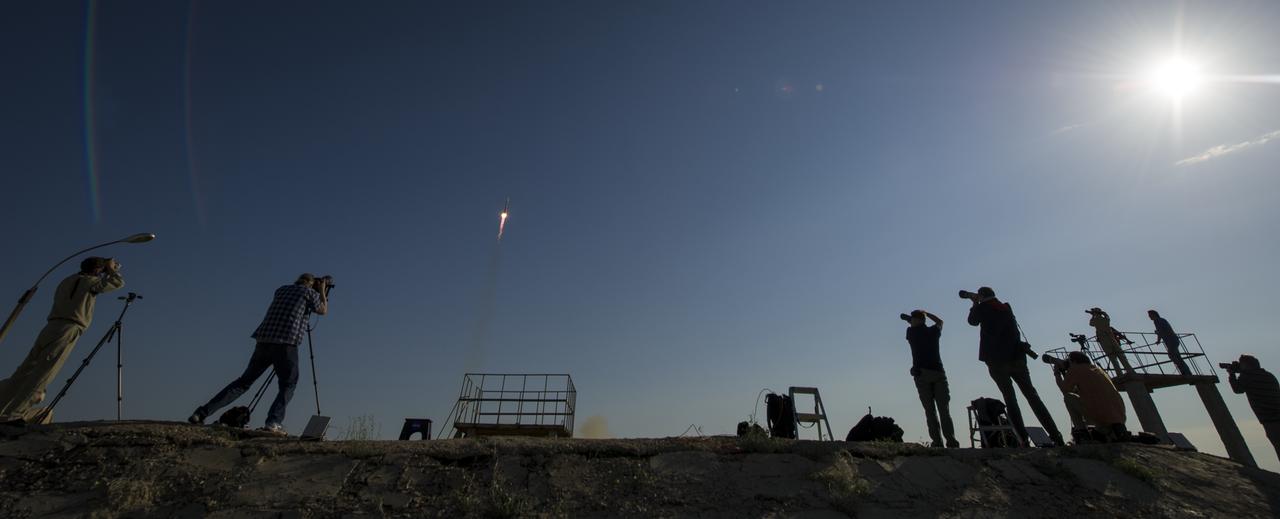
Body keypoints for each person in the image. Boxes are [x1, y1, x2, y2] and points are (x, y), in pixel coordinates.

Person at [188, 273, 329, 435]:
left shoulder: (281, 290)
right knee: (288, 384)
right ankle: (273, 421)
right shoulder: (309, 293)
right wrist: (323, 292)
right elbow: (323, 310)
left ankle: (201, 413)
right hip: (286, 342)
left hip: (263, 340)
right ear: (311, 284)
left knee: (243, 382)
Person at [0, 257, 125, 422]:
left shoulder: (67, 281)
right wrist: (111, 270)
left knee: (24, 372)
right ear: (97, 270)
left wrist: (105, 270)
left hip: (50, 327)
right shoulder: (91, 283)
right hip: (68, 328)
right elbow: (117, 283)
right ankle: (13, 415)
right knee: (44, 374)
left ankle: (3, 407)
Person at [965, 286, 1065, 447]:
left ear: (982, 296)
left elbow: (972, 322)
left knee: (1010, 399)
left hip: (997, 360)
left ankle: (1022, 439)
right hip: (1017, 358)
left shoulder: (983, 307)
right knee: (1033, 396)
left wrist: (974, 303)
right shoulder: (1005, 307)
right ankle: (1056, 435)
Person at [903, 309, 959, 448]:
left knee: (930, 411)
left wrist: (909, 319)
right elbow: (940, 322)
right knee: (944, 410)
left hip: (921, 375)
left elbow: (912, 324)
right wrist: (927, 314)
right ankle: (951, 441)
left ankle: (937, 442)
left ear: (914, 320)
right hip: (938, 373)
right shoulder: (933, 332)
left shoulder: (911, 333)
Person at [1056, 351, 1127, 441]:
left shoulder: (1075, 370)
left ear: (1073, 361)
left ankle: (1082, 432)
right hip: (1119, 416)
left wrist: (1057, 373)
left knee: (1068, 397)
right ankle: (1107, 432)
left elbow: (1065, 390)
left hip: (1100, 416)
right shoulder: (1097, 370)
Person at [1227, 355, 1280, 458]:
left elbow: (1237, 389)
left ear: (1246, 366)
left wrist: (1232, 374)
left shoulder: (1247, 377)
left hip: (1271, 420)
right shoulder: (1269, 375)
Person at [1087, 308, 1133, 376]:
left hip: (1104, 340)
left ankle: (1119, 373)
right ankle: (1130, 370)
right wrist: (1103, 313)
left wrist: (1093, 315)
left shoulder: (1095, 320)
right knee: (1121, 355)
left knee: (1112, 358)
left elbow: (1091, 324)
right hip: (1111, 339)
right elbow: (1107, 318)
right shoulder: (1105, 319)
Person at [1149, 310, 1191, 376]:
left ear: (1154, 315)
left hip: (1171, 340)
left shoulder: (1156, 320)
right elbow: (1163, 330)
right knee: (1177, 356)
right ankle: (1186, 372)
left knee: (1172, 355)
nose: (1149, 317)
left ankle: (1185, 372)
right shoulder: (1162, 320)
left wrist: (1158, 340)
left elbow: (1160, 331)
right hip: (1173, 340)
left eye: (1150, 315)